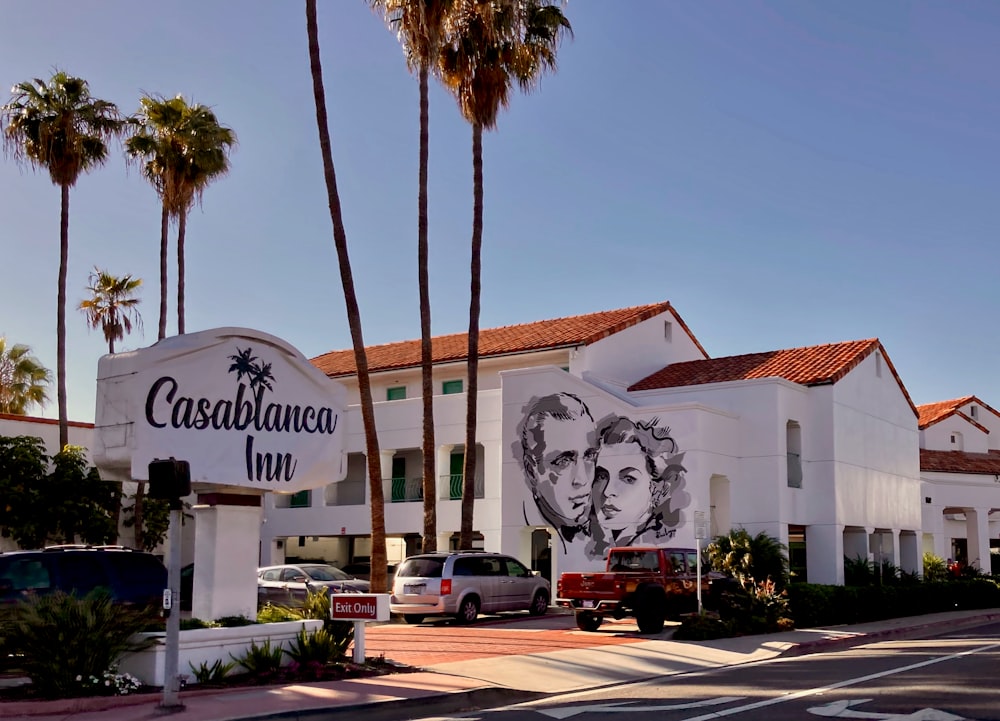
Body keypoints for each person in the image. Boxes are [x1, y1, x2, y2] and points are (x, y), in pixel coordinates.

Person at [589, 415, 688, 553]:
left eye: (628, 479)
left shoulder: (653, 543)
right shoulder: (597, 538)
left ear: (654, 488)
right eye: (601, 476)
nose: (607, 491)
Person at [519, 392, 600, 554]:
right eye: (563, 461)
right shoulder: (529, 530)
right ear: (532, 471)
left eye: (589, 456)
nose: (582, 479)